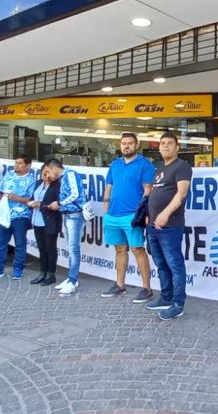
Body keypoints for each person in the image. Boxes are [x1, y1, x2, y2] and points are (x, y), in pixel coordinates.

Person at [99, 133, 156, 303]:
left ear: (137, 145)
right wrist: (106, 209)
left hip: (132, 215)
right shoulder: (115, 164)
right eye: (124, 143)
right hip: (113, 215)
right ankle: (120, 285)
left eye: (130, 143)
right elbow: (109, 187)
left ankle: (147, 288)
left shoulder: (145, 165)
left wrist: (143, 213)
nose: (126, 146)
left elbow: (148, 191)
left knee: (137, 249)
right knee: (119, 249)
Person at [143, 133, 192, 320]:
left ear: (177, 147)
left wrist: (165, 214)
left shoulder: (182, 167)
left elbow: (181, 194)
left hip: (171, 225)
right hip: (153, 226)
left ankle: (178, 304)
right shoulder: (159, 169)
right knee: (161, 263)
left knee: (175, 265)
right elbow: (154, 195)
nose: (165, 146)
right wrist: (149, 216)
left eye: (170, 143)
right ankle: (166, 297)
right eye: (162, 143)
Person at [0, 154, 36, 281]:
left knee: (20, 244)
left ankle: (18, 269)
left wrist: (16, 198)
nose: (16, 165)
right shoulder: (9, 175)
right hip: (5, 214)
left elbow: (32, 200)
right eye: (16, 162)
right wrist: (1, 196)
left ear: (28, 165)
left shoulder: (32, 180)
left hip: (21, 216)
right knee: (0, 243)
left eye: (20, 163)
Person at [46, 158, 85, 295]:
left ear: (54, 167)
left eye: (49, 171)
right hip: (67, 214)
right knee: (70, 247)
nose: (49, 175)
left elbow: (75, 194)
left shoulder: (70, 174)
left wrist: (60, 203)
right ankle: (71, 277)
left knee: (73, 248)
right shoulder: (63, 178)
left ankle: (72, 280)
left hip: (74, 214)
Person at [28, 165, 62, 286]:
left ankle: (51, 274)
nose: (46, 176)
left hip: (50, 220)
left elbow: (58, 203)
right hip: (37, 219)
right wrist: (30, 202)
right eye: (44, 173)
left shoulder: (57, 185)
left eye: (48, 173)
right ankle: (43, 272)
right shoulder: (38, 183)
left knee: (50, 248)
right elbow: (32, 197)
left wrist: (41, 204)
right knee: (41, 248)